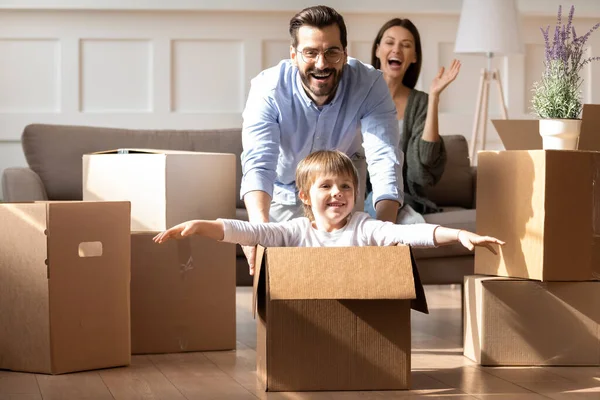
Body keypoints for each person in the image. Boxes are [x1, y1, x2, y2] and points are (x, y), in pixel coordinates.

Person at [240, 6, 405, 273]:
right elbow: (259, 163)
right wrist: (257, 233)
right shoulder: (267, 88)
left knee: (350, 272)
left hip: (344, 187)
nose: (321, 63)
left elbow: (385, 157)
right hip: (286, 188)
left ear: (345, 53)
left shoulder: (370, 85)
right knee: (286, 274)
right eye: (310, 52)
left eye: (332, 52)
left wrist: (385, 234)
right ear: (294, 55)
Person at [154, 150, 504, 275]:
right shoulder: (293, 231)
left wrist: (458, 234)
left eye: (346, 187)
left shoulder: (365, 227)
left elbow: (406, 234)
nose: (338, 193)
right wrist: (203, 226)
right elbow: (250, 232)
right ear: (304, 196)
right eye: (327, 186)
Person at [365, 18, 461, 223]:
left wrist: (434, 97)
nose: (397, 49)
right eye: (390, 42)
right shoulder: (358, 96)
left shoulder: (420, 102)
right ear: (377, 50)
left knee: (391, 210)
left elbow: (425, 163)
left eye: (406, 45)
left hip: (401, 198)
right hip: (354, 196)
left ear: (414, 57)